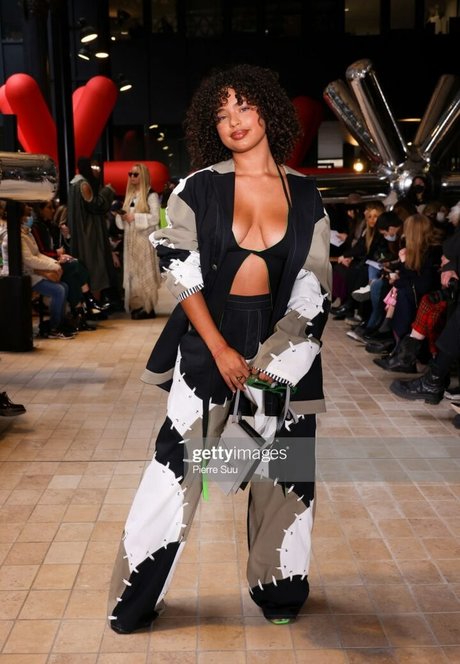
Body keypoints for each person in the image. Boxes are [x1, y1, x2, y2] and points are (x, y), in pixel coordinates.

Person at [108, 63, 332, 633]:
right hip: (208, 343)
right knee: (174, 468)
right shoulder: (196, 187)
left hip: (285, 348)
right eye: (222, 113)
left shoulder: (307, 195)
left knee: (284, 472)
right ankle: (135, 599)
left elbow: (314, 284)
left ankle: (280, 593)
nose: (234, 121)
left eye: (244, 107)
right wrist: (221, 348)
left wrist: (271, 364)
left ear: (269, 112)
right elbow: (179, 271)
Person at [1, 203, 74, 339]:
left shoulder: (25, 233)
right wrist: (53, 267)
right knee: (58, 290)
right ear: (20, 217)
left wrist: (54, 264)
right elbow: (29, 260)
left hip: (31, 271)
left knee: (64, 286)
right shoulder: (13, 235)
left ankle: (59, 323)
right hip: (21, 275)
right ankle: (54, 328)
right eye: (27, 215)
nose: (30, 218)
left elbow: (37, 254)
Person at [115, 163, 161, 319]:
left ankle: (149, 307)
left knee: (145, 273)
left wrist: (135, 217)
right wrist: (122, 216)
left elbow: (155, 218)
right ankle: (140, 305)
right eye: (130, 174)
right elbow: (123, 219)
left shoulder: (151, 195)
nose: (132, 177)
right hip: (131, 240)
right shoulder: (130, 195)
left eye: (135, 174)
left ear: (143, 175)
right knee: (134, 273)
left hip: (145, 240)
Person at [67, 157, 116, 302]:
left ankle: (89, 305)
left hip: (81, 233)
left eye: (98, 168)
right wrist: (107, 191)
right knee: (95, 270)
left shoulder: (74, 184)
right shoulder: (84, 185)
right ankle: (95, 305)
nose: (97, 171)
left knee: (86, 271)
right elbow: (96, 205)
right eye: (93, 168)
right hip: (89, 235)